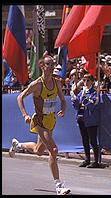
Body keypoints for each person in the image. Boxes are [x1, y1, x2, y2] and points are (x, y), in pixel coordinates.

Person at [9, 55, 71, 195]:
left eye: (53, 64)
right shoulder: (37, 84)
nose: (52, 66)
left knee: (38, 151)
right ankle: (59, 186)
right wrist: (25, 114)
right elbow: (20, 97)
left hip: (50, 121)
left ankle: (17, 145)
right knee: (53, 150)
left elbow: (63, 99)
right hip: (39, 121)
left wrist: (63, 109)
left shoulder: (57, 82)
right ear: (42, 66)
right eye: (49, 64)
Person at [71, 73, 100, 168]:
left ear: (92, 82)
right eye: (84, 80)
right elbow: (76, 106)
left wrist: (85, 98)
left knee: (93, 140)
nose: (86, 82)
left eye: (88, 80)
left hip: (90, 119)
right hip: (81, 118)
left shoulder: (94, 92)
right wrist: (74, 98)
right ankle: (87, 159)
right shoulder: (81, 92)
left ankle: (96, 161)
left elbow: (92, 105)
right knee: (84, 140)